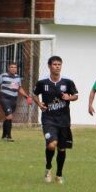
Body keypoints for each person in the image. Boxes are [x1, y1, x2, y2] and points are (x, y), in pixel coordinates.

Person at [32, 56, 78, 185]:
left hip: (64, 121)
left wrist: (69, 97)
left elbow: (76, 96)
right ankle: (48, 168)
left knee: (62, 149)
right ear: (49, 66)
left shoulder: (68, 82)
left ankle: (59, 174)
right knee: (52, 144)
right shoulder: (42, 83)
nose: (57, 66)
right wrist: (39, 104)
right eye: (55, 64)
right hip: (48, 119)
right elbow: (34, 94)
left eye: (59, 64)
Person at [0, 62, 32, 142]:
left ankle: (4, 136)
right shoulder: (3, 76)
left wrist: (27, 97)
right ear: (8, 68)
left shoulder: (18, 77)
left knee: (8, 117)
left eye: (15, 67)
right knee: (10, 116)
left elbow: (19, 88)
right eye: (11, 67)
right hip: (4, 98)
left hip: (13, 99)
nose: (13, 68)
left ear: (16, 69)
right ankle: (8, 136)